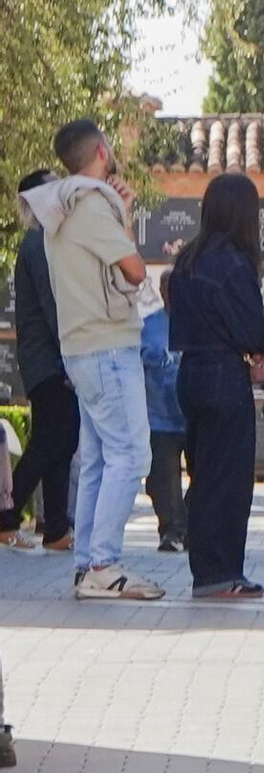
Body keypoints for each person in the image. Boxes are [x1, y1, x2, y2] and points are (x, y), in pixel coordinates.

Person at [21, 121, 161, 600]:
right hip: (109, 345)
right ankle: (103, 563)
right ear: (102, 150)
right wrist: (121, 212)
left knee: (100, 458)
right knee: (131, 454)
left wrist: (119, 208)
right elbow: (135, 269)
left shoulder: (57, 207)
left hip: (79, 348)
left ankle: (88, 564)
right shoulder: (92, 203)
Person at [169, 173, 264, 599]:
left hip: (190, 374)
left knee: (203, 476)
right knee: (229, 479)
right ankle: (222, 574)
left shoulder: (186, 260)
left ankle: (206, 572)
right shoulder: (234, 263)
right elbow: (252, 326)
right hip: (223, 378)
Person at [0, 170, 78, 553]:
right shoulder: (37, 245)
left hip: (51, 359)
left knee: (62, 443)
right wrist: (72, 356)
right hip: (49, 361)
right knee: (49, 442)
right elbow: (54, 308)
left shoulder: (46, 242)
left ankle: (56, 528)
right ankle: (5, 517)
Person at [140, 271, 188, 552]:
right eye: (168, 287)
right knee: (164, 479)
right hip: (159, 418)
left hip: (193, 414)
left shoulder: (197, 323)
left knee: (206, 475)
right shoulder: (147, 326)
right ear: (161, 290)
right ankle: (171, 531)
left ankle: (190, 527)